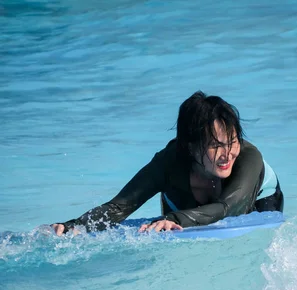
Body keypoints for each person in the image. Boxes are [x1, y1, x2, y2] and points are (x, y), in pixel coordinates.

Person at [51, 91, 284, 236]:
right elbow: (119, 207)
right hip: (187, 201)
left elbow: (226, 209)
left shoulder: (249, 158)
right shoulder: (168, 162)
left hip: (255, 202)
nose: (227, 154)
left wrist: (174, 218)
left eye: (232, 142)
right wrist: (75, 226)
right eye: (215, 146)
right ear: (191, 147)